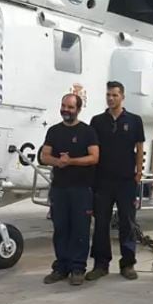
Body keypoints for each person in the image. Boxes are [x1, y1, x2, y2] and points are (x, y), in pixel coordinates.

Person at [86, 81, 145, 281]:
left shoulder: (135, 121)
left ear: (122, 97)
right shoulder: (97, 121)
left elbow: (139, 147)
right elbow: (92, 149)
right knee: (101, 223)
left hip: (126, 180)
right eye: (108, 95)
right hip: (102, 180)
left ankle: (128, 264)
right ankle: (101, 264)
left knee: (127, 223)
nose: (111, 98)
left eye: (115, 95)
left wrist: (138, 172)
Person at [40, 94, 99, 286]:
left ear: (78, 109)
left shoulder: (87, 131)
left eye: (70, 107)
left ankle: (77, 268)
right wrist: (58, 161)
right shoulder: (54, 131)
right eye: (63, 106)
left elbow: (94, 157)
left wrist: (71, 161)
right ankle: (60, 268)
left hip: (81, 190)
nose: (66, 110)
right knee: (61, 229)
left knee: (80, 230)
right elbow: (44, 155)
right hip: (59, 189)